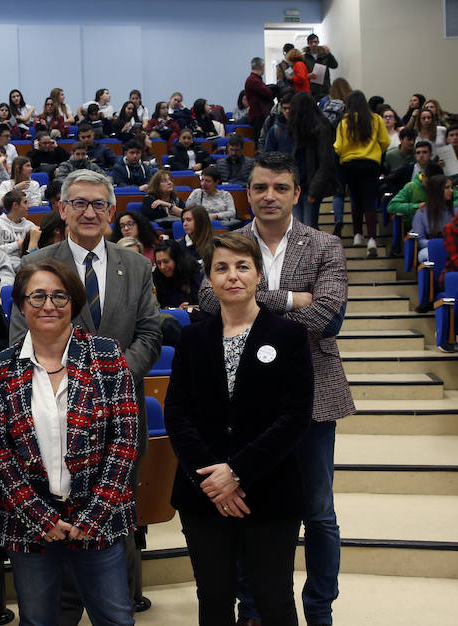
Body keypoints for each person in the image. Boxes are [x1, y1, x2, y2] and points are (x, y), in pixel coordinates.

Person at [198, 152, 354, 626]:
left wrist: (250, 307)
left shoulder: (325, 245)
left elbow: (326, 312)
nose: (270, 196)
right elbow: (209, 300)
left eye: (280, 188)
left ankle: (319, 610)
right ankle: (254, 609)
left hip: (314, 397)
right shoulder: (230, 242)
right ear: (248, 193)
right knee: (252, 508)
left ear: (296, 193)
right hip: (243, 403)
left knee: (319, 512)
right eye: (261, 187)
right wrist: (289, 298)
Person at [9, 169, 162, 618]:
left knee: (114, 533)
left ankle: (118, 605)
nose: (89, 211)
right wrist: (76, 384)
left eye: (98, 204)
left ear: (112, 211)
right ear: (62, 209)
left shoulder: (137, 266)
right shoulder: (35, 264)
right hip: (49, 428)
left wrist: (105, 381)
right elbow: (20, 339)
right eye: (79, 203)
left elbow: (150, 335)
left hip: (118, 431)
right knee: (57, 546)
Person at [166, 232, 313, 626]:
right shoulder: (192, 338)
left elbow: (295, 416)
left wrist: (237, 472)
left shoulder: (289, 335)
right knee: (214, 599)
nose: (232, 275)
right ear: (210, 280)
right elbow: (177, 413)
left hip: (269, 490)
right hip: (205, 494)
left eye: (242, 266)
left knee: (274, 600)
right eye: (222, 268)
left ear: (258, 275)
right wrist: (213, 479)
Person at [0, 258, 138, 626]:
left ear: (74, 302)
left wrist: (93, 515)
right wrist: (40, 517)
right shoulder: (3, 367)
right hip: (30, 521)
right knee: (38, 620)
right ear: (21, 305)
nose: (49, 305)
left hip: (98, 517)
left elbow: (125, 441)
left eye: (59, 296)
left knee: (116, 619)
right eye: (37, 296)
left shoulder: (106, 354)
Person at [334, 90, 391, 256]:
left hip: (350, 164)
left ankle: (357, 235)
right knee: (369, 200)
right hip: (371, 163)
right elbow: (385, 141)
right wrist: (375, 151)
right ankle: (372, 238)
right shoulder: (376, 119)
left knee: (355, 199)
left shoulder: (345, 121)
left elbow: (339, 147)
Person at [287, 92, 337, 229]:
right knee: (298, 228)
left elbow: (325, 162)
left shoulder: (320, 129)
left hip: (310, 185)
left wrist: (314, 190)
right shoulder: (298, 129)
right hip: (298, 184)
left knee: (308, 227)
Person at [0, 189, 37, 271]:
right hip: (3, 267)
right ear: (15, 205)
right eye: (25, 202)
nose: (29, 206)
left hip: (27, 266)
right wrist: (17, 245)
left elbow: (36, 252)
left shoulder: (30, 226)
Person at [412, 174, 457, 262]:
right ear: (436, 190)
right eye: (447, 188)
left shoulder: (456, 210)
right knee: (428, 255)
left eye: (451, 187)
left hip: (454, 246)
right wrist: (439, 244)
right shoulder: (421, 213)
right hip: (431, 247)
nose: (451, 190)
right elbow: (419, 241)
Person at [152, 239, 203, 311]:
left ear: (176, 259)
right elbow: (160, 307)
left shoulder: (193, 271)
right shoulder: (156, 276)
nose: (162, 267)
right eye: (159, 263)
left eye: (166, 261)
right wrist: (177, 310)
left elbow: (202, 304)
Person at [245, 57, 274, 141]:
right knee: (260, 139)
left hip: (257, 114)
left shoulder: (252, 79)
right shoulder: (254, 80)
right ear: (262, 66)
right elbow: (268, 93)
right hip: (258, 115)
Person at [303, 34, 339, 101]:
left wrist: (329, 54)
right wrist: (307, 76)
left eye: (315, 42)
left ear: (318, 42)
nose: (314, 44)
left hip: (325, 89)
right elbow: (300, 74)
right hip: (311, 90)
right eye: (311, 42)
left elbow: (334, 65)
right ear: (308, 43)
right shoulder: (304, 58)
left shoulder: (325, 55)